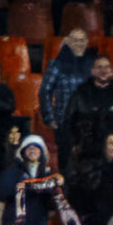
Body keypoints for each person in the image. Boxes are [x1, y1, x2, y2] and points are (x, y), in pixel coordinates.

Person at [0, 135, 60, 225]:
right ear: (22, 152)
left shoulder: (49, 176)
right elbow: (0, 191)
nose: (32, 150)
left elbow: (54, 204)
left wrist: (58, 185)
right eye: (29, 148)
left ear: (42, 152)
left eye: (36, 148)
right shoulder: (13, 171)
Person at [39, 29, 94, 169]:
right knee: (67, 164)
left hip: (89, 122)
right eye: (75, 40)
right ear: (68, 42)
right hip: (65, 122)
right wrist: (49, 117)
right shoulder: (57, 64)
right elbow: (44, 91)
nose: (79, 44)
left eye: (82, 40)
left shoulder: (92, 64)